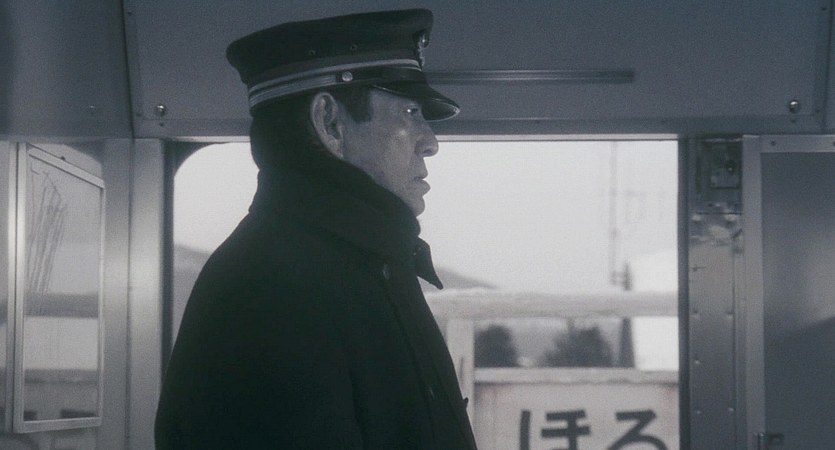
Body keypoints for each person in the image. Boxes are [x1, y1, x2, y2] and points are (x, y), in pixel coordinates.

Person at [154, 9, 478, 449]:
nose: (431, 141)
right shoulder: (271, 292)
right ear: (330, 123)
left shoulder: (362, 266)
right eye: (409, 111)